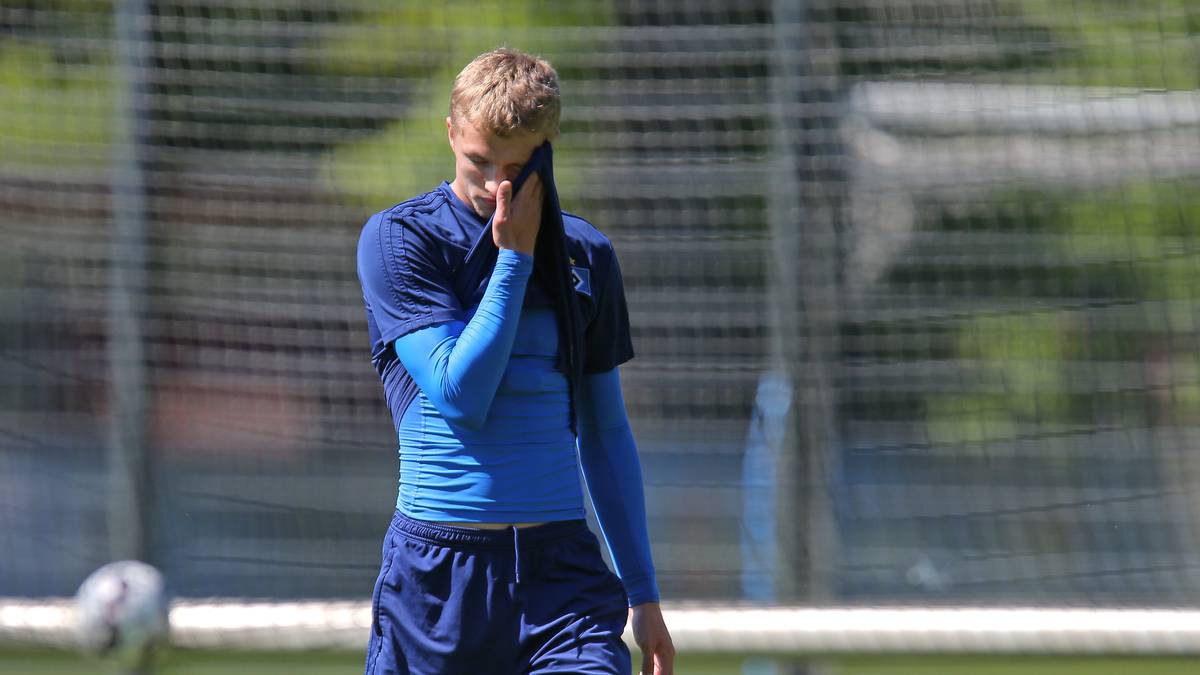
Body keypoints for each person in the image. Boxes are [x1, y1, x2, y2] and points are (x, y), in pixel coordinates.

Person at [355, 47, 675, 675]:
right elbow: (459, 395)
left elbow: (606, 433)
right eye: (478, 161)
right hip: (439, 578)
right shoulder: (400, 240)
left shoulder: (586, 255)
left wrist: (643, 595)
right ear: (451, 134)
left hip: (563, 581)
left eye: (516, 168)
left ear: (547, 151)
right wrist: (514, 260)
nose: (494, 186)